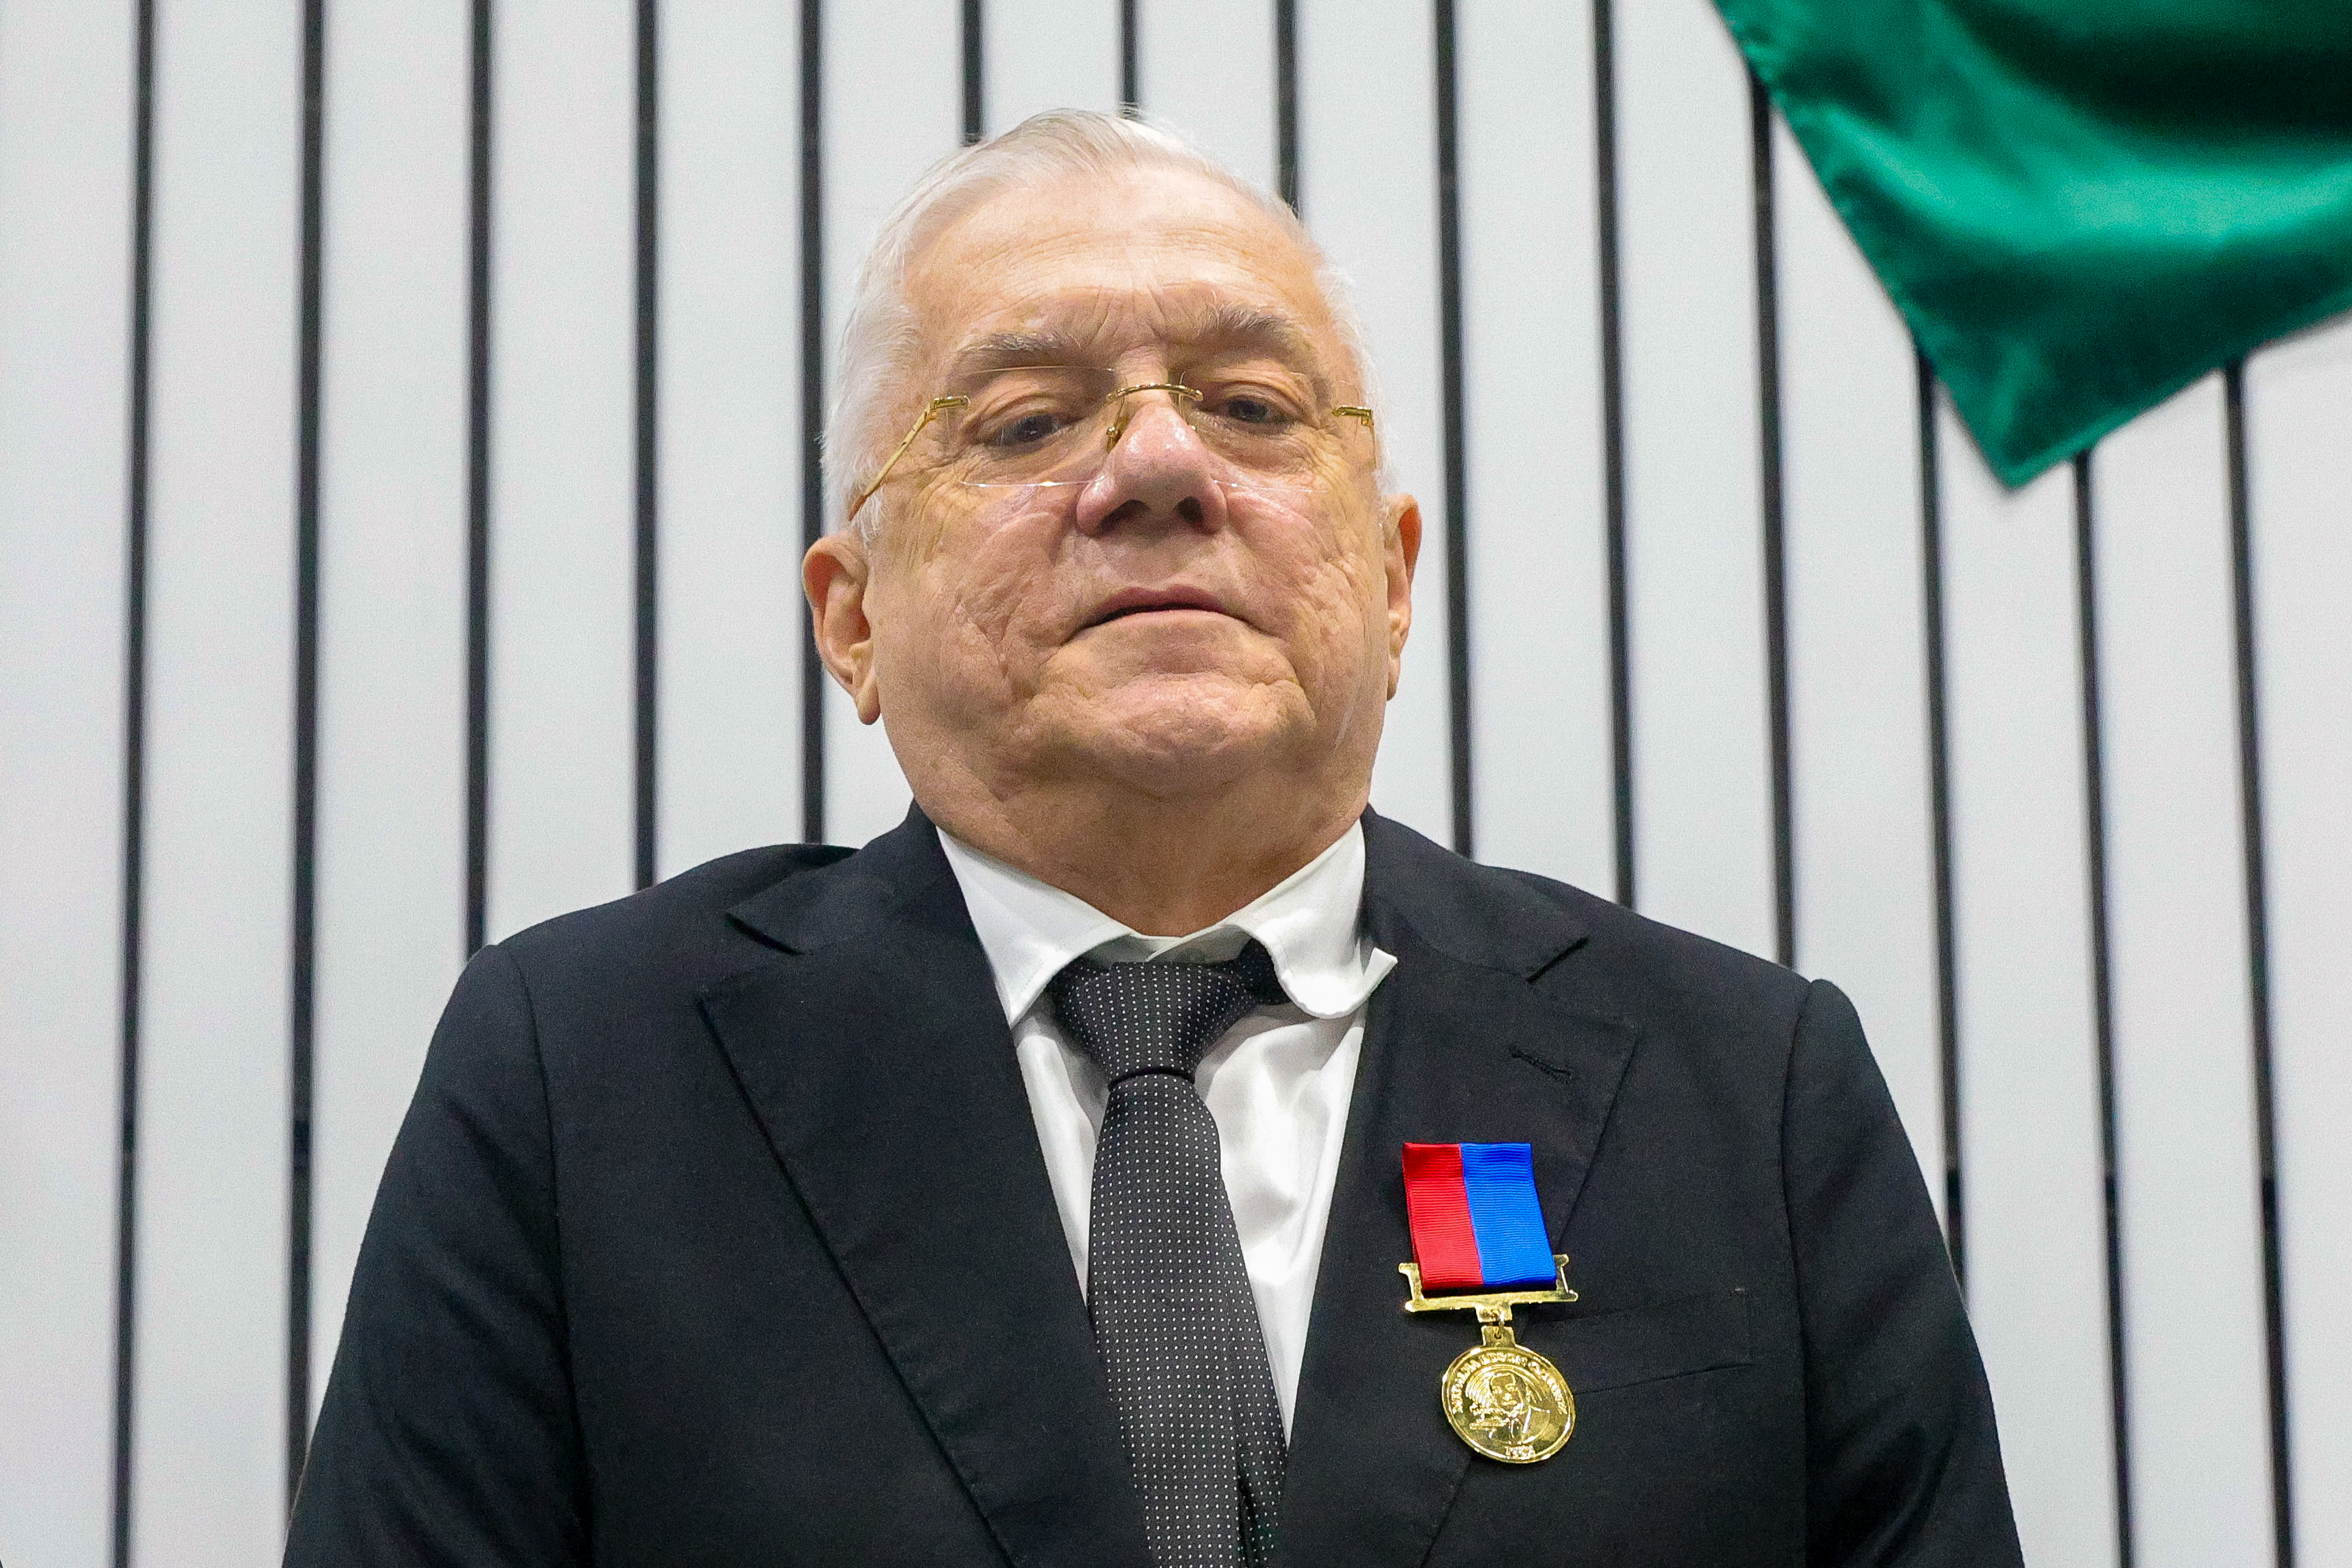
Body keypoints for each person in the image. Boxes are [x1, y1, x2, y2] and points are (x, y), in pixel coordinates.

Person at [286, 110, 2021, 1568]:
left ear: (1393, 578)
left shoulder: (1748, 1090)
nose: (1160, 466)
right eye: (1028, 422)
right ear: (852, 619)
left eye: (1254, 406)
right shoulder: (586, 1080)